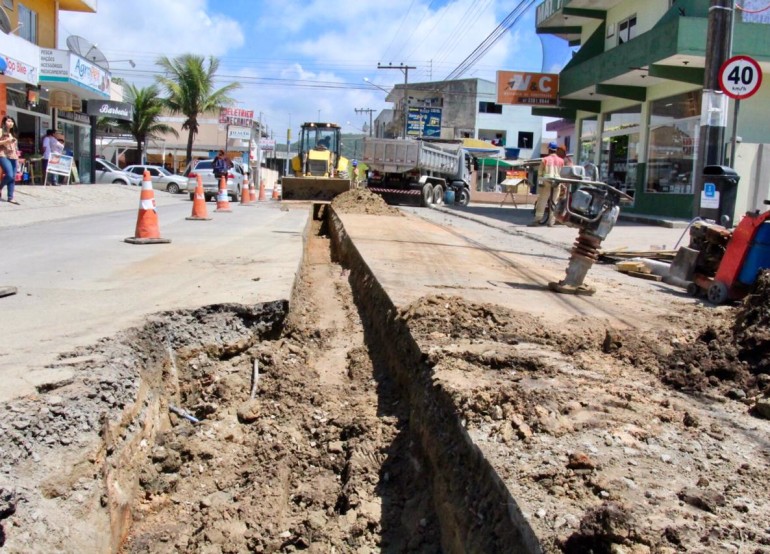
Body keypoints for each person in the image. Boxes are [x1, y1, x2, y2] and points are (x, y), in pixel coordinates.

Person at [528, 141, 565, 227]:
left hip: (546, 183)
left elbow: (540, 173)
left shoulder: (545, 160)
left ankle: (538, 220)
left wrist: (540, 182)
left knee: (542, 201)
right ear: (556, 150)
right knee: (554, 202)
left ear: (549, 150)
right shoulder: (561, 161)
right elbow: (562, 173)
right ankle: (551, 222)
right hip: (557, 183)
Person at [0, 115, 20, 204]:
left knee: (12, 178)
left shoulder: (13, 134)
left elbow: (15, 147)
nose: (11, 123)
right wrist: (6, 141)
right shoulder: (1, 131)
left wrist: (17, 158)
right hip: (3, 154)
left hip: (13, 156)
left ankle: (10, 197)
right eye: (8, 121)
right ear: (4, 122)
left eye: (12, 121)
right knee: (9, 174)